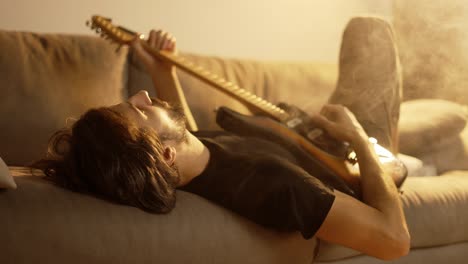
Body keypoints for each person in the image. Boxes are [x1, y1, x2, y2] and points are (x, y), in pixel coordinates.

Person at [33, 17, 410, 260]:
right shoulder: (278, 187)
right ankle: (416, 153)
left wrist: (165, 70)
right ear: (164, 155)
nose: (143, 96)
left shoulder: (194, 165)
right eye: (142, 110)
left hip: (312, 135)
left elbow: (194, 139)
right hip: (357, 154)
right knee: (369, 30)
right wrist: (359, 136)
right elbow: (394, 240)